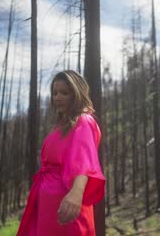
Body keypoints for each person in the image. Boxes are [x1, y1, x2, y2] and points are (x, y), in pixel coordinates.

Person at [17, 70, 105, 236]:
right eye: (55, 93)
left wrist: (76, 193)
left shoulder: (84, 120)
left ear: (77, 94)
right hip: (48, 206)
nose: (58, 97)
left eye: (65, 93)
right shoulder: (59, 126)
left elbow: (84, 160)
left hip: (68, 204)